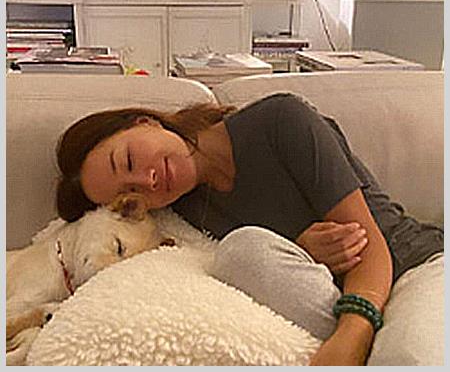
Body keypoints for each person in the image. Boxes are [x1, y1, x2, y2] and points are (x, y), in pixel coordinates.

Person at [56, 93, 443, 365]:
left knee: (409, 357)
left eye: (128, 160)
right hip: (329, 299)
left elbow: (368, 244)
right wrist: (299, 250)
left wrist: (351, 336)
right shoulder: (183, 213)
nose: (147, 180)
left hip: (409, 264)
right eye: (132, 193)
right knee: (243, 250)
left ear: (145, 122)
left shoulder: (280, 120)